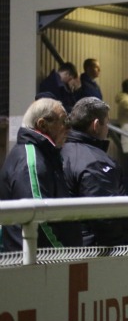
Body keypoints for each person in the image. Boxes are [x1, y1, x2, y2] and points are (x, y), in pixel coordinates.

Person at [0, 98, 82, 251]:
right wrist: (63, 255)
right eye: (64, 122)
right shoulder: (31, 160)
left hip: (42, 262)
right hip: (37, 264)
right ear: (42, 125)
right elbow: (38, 217)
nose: (69, 129)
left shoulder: (43, 155)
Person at [61, 97, 128, 246]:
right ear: (96, 125)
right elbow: (107, 217)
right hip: (94, 250)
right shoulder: (97, 162)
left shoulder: (58, 151)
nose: (107, 128)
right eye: (106, 123)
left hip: (66, 245)